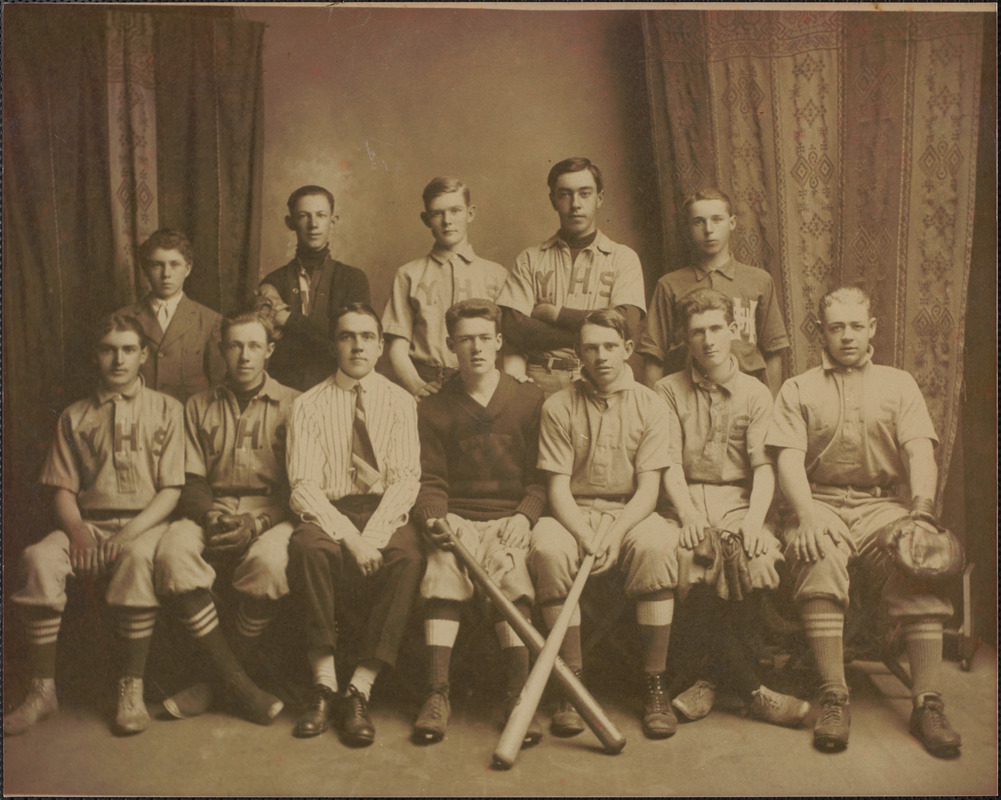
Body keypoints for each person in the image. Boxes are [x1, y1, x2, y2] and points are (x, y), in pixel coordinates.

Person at [766, 285, 961, 758]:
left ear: (872, 328)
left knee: (920, 557)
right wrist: (808, 515)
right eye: (837, 327)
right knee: (820, 553)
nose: (847, 336)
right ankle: (834, 695)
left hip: (882, 508)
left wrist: (921, 514)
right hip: (819, 502)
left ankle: (927, 702)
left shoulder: (899, 384)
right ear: (821, 332)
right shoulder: (798, 388)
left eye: (856, 326)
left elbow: (919, 451)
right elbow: (787, 461)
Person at [5, 314, 184, 736]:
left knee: (138, 560)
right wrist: (79, 533)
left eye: (128, 350)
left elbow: (171, 490)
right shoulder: (75, 415)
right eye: (108, 349)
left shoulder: (167, 408)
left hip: (145, 525)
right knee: (37, 559)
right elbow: (62, 490)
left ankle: (131, 687)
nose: (118, 359)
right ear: (95, 355)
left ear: (143, 355)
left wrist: (126, 535)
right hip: (89, 524)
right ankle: (42, 689)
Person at [655, 288, 808, 728]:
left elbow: (763, 468)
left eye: (716, 328)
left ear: (733, 329)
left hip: (742, 500)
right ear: (685, 338)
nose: (708, 340)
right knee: (691, 558)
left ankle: (707, 679)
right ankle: (751, 689)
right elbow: (667, 463)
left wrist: (755, 523)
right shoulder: (666, 390)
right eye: (697, 331)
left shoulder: (756, 393)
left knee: (754, 555)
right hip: (682, 500)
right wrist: (687, 516)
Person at [529, 308, 681, 740]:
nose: (602, 357)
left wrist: (613, 534)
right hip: (571, 513)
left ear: (629, 350)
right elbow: (556, 488)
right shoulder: (558, 404)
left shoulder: (651, 405)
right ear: (579, 354)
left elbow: (649, 490)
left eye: (611, 346)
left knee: (657, 546)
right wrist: (583, 532)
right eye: (591, 348)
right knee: (547, 550)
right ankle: (570, 682)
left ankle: (654, 682)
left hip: (630, 513)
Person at [407, 299, 547, 746]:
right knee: (443, 568)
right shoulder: (433, 408)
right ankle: (436, 693)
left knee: (510, 572)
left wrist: (525, 517)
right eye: (465, 339)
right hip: (459, 518)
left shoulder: (528, 399)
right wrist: (436, 518)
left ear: (499, 342)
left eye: (484, 338)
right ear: (451, 346)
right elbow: (429, 480)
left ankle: (517, 696)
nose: (476, 348)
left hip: (510, 520)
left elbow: (543, 478)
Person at [285, 303, 423, 747]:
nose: (358, 345)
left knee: (405, 555)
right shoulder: (308, 404)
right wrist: (351, 540)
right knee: (310, 549)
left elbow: (405, 481)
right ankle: (324, 685)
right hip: (330, 510)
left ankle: (359, 689)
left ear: (381, 346)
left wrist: (375, 538)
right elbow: (303, 487)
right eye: (347, 336)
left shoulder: (401, 402)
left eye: (367, 336)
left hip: (383, 510)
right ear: (334, 345)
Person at [153, 311, 301, 724]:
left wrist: (258, 523)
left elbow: (300, 486)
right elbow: (191, 477)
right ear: (221, 350)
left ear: (270, 350)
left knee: (270, 563)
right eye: (234, 345)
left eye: (254, 346)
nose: (244, 356)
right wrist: (207, 515)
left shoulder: (295, 403)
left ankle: (217, 682)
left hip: (271, 511)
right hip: (213, 507)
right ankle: (237, 683)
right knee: (172, 553)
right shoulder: (199, 405)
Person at [496, 157, 646, 396]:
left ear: (600, 198)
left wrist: (557, 314)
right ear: (553, 200)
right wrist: (593, 334)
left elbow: (625, 324)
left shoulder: (622, 258)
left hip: (599, 378)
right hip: (540, 379)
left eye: (585, 194)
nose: (575, 204)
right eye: (565, 194)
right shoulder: (530, 258)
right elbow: (513, 328)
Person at [638, 188, 789, 395]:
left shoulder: (759, 280)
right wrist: (653, 412)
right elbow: (654, 356)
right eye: (698, 222)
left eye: (717, 219)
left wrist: (770, 405)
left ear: (732, 222)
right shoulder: (670, 284)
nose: (709, 229)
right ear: (688, 228)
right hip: (688, 396)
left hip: (746, 394)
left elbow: (773, 351)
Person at [382, 177, 509, 400]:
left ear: (470, 213)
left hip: (482, 386)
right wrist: (417, 386)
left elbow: (508, 344)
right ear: (426, 219)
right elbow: (397, 347)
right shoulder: (409, 274)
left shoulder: (496, 275)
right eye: (437, 213)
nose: (447, 221)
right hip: (429, 383)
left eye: (455, 211)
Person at [257, 185, 370, 391]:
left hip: (338, 389)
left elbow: (347, 337)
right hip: (284, 388)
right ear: (290, 222)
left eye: (321, 215)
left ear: (333, 220)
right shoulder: (273, 282)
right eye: (303, 216)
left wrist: (289, 320)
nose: (313, 225)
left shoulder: (353, 279)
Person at [117, 228, 225, 403]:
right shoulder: (122, 319)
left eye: (174, 264)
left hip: (189, 422)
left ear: (188, 269)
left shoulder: (210, 321)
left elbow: (219, 386)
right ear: (145, 270)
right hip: (140, 419)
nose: (166, 274)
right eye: (157, 265)